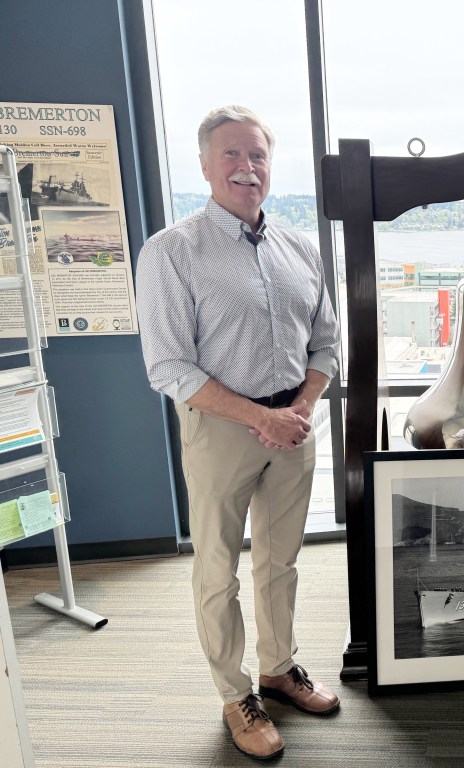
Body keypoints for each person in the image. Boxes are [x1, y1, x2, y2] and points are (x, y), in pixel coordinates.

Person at [135, 105, 341, 759]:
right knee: (217, 569)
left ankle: (279, 669)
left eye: (257, 155)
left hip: (294, 427)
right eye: (231, 154)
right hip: (222, 430)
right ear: (204, 166)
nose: (246, 167)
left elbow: (326, 345)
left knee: (280, 561)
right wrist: (260, 417)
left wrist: (299, 408)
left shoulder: (300, 249)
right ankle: (235, 695)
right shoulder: (172, 251)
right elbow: (168, 366)